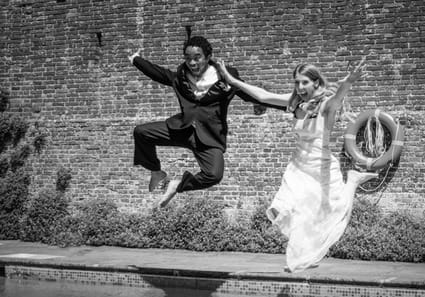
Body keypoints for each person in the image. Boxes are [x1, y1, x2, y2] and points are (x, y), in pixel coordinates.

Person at [214, 57, 378, 272]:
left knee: (334, 211)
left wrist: (348, 82)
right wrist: (231, 80)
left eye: (305, 82)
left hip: (322, 166)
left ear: (316, 83)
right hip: (299, 165)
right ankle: (305, 256)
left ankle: (353, 181)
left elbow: (338, 98)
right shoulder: (294, 103)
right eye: (297, 82)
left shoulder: (326, 106)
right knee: (294, 210)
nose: (300, 87)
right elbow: (263, 95)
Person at [128, 36, 283, 207]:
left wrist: (289, 107)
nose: (192, 63)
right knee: (141, 132)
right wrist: (136, 60)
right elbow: (160, 74)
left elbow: (249, 94)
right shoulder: (181, 76)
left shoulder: (225, 77)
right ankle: (157, 172)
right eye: (188, 59)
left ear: (208, 57)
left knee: (214, 175)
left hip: (209, 137)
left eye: (197, 58)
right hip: (182, 129)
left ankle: (176, 186)